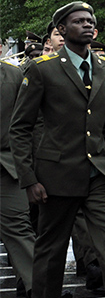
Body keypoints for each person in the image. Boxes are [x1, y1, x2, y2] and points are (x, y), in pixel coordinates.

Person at [10, 1, 105, 298]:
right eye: (79, 20)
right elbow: (20, 127)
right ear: (61, 29)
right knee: (50, 252)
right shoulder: (42, 69)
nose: (87, 25)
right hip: (56, 176)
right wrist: (29, 179)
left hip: (102, 176)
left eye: (90, 20)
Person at [1, 60, 35, 296]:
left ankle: (40, 288)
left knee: (20, 228)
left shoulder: (14, 76)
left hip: (6, 166)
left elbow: (28, 122)